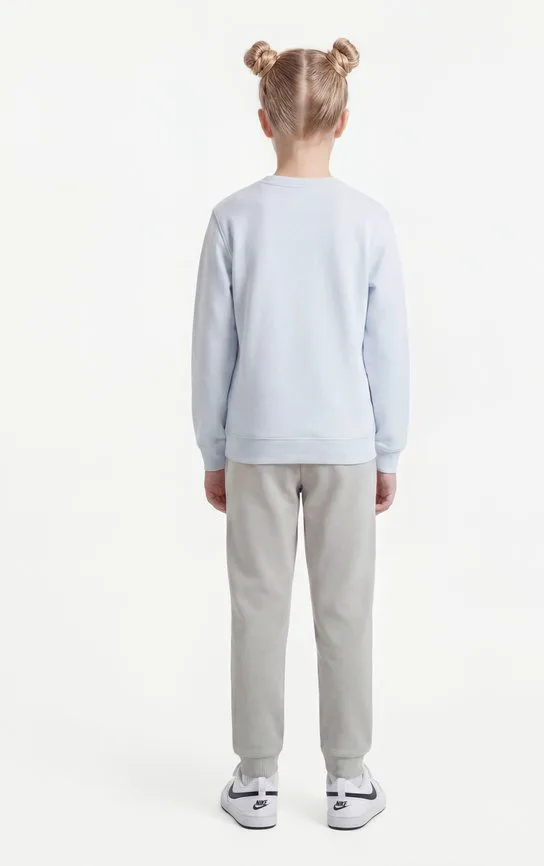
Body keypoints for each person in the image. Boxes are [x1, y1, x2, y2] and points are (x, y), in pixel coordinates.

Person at [191, 38, 409, 831]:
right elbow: (386, 348)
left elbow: (213, 346)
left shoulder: (232, 219)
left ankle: (256, 780)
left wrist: (214, 448)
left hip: (255, 442)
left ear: (264, 120)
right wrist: (388, 449)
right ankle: (347, 779)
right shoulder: (368, 221)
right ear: (343, 121)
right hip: (346, 444)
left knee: (257, 609)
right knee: (345, 612)